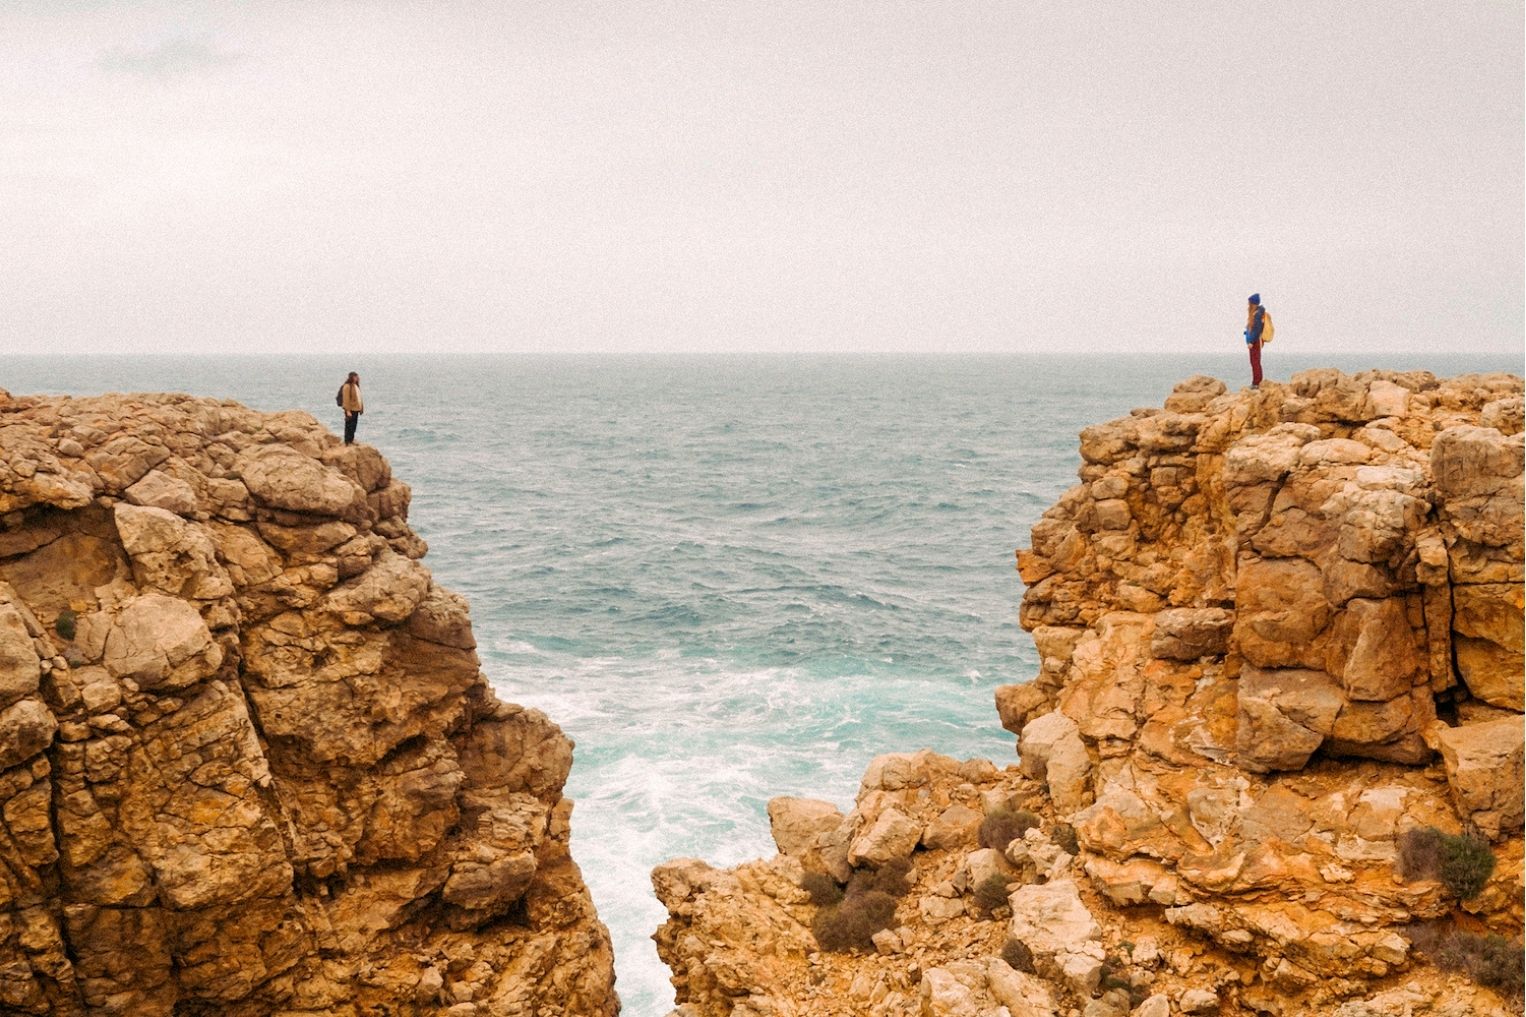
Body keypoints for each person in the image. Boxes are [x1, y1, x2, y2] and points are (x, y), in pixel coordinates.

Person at [1244, 293, 1269, 388]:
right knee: (1254, 361)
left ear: (1253, 304)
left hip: (1255, 342)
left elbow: (1257, 330)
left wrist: (1251, 341)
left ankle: (1257, 382)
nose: (1248, 305)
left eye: (1249, 303)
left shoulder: (1257, 314)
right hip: (1253, 341)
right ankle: (1256, 381)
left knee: (1255, 361)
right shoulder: (1256, 313)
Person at [339, 371, 364, 444]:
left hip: (356, 409)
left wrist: (361, 408)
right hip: (350, 410)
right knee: (349, 426)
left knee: (353, 426)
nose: (358, 378)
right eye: (356, 377)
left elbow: (359, 398)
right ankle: (347, 441)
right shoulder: (347, 386)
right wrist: (347, 410)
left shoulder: (355, 386)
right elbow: (346, 400)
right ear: (352, 377)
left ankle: (351, 439)